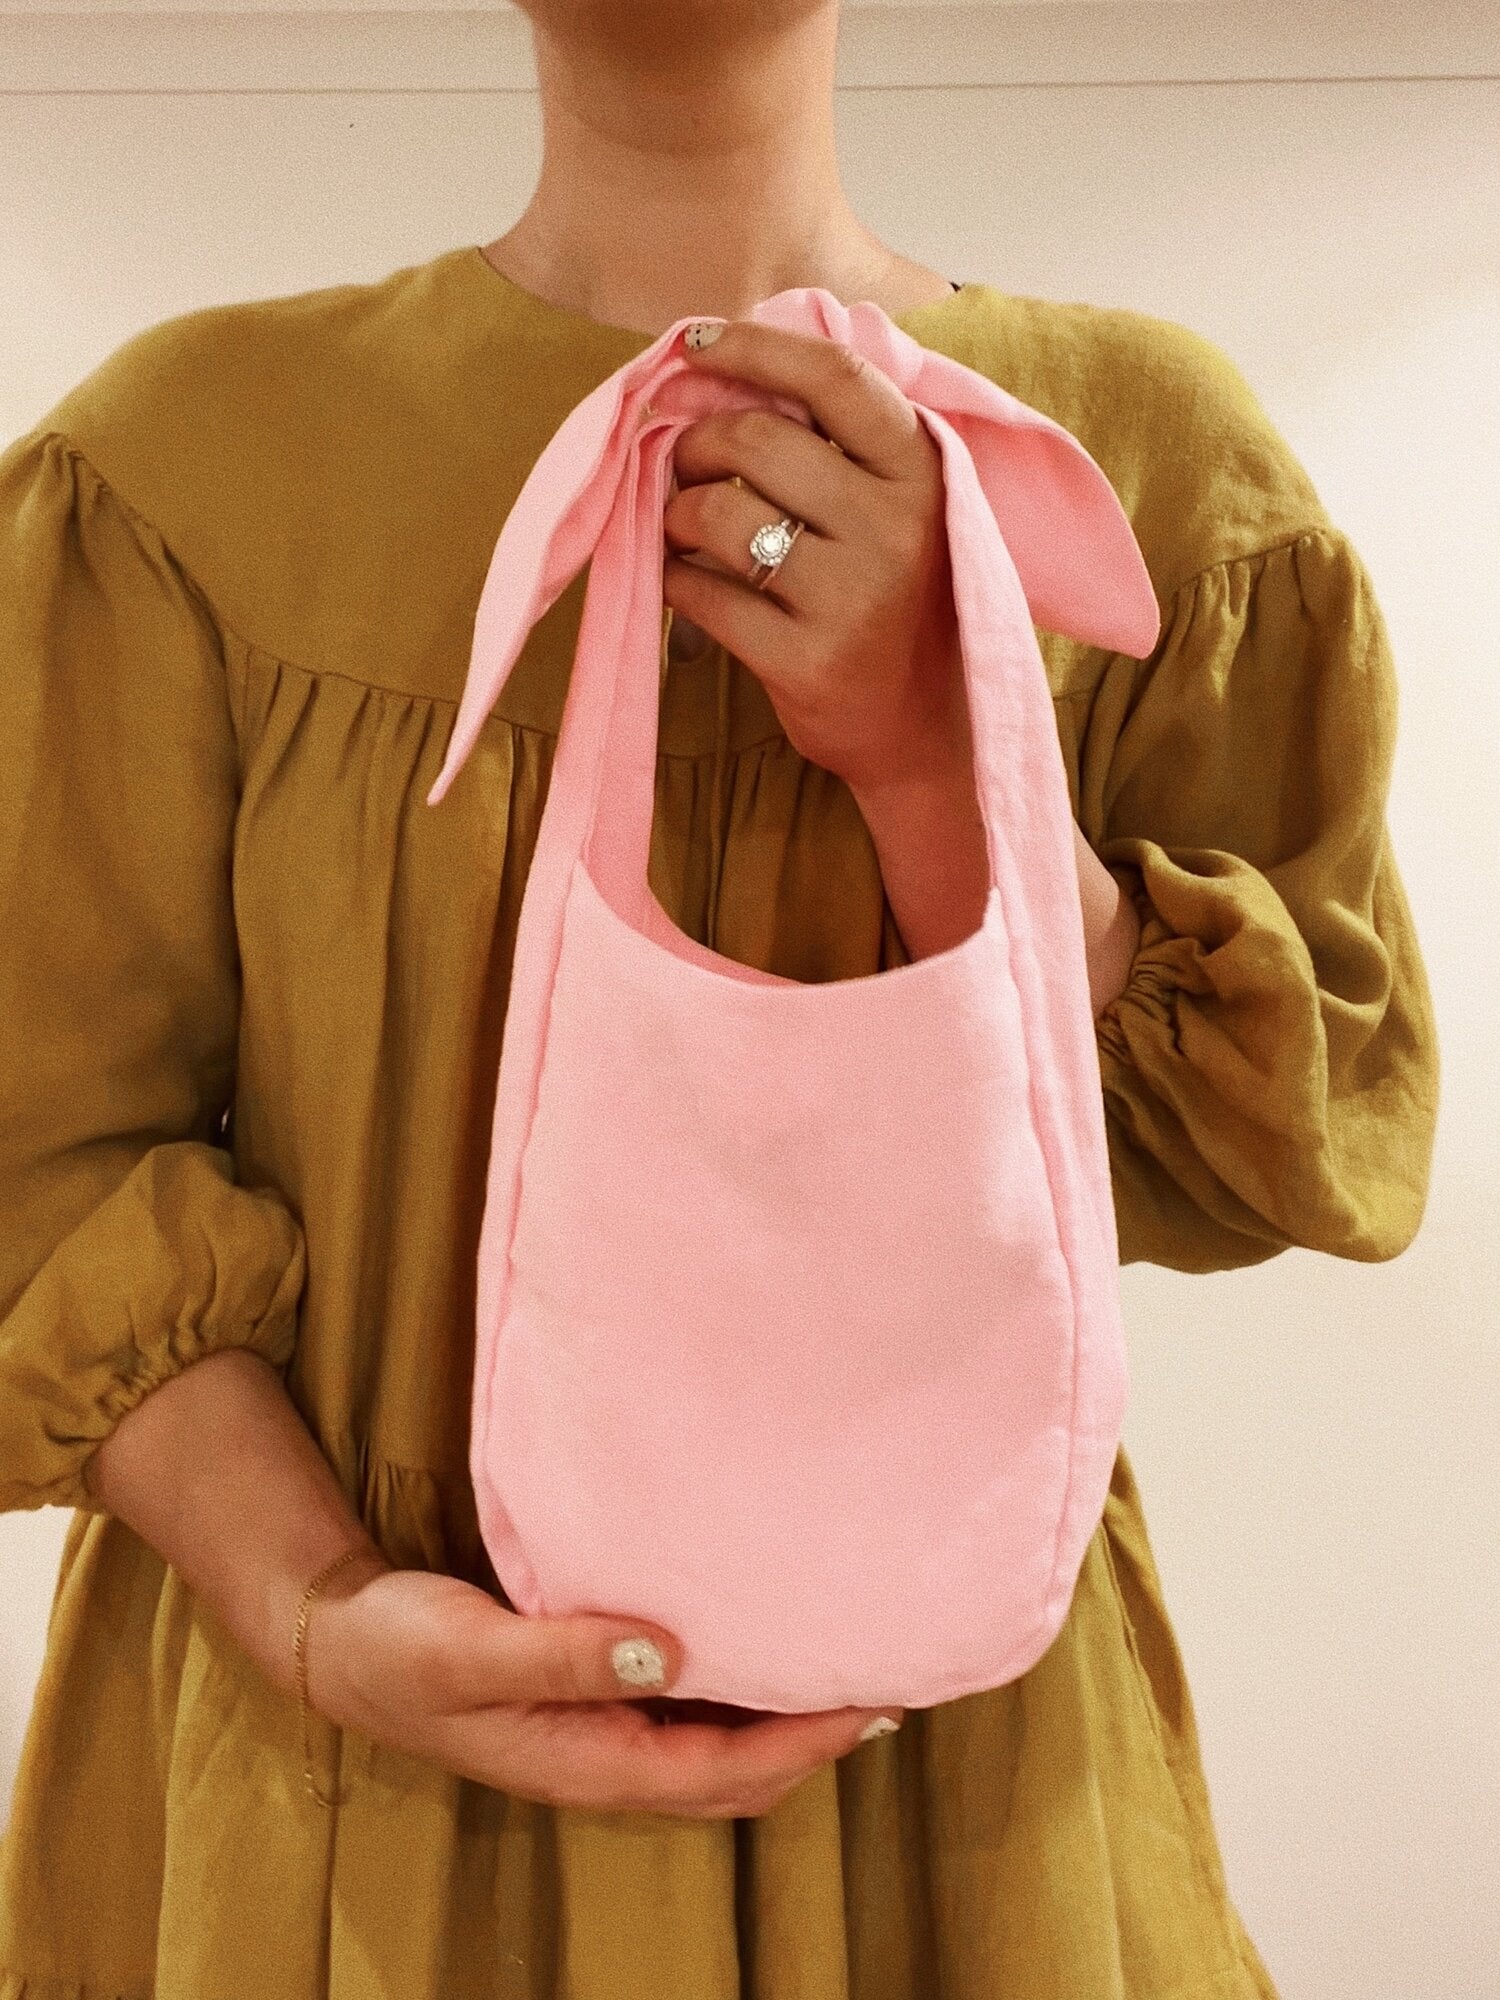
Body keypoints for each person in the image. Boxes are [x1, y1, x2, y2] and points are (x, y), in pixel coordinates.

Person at [0, 0, 1440, 1991]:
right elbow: (43, 1164)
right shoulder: (185, 470)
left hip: (945, 1761)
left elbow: (1311, 1140)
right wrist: (320, 1604)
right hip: (329, 1765)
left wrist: (952, 764)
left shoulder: (1146, 469)